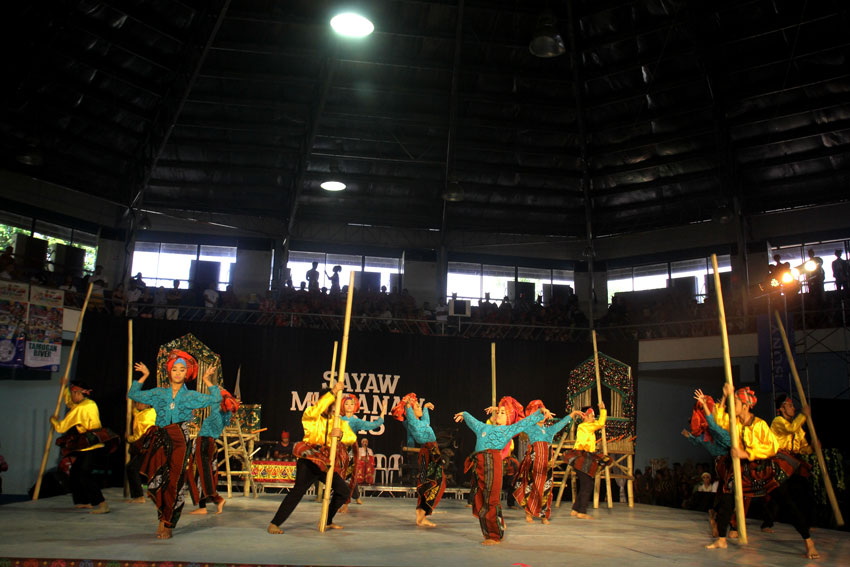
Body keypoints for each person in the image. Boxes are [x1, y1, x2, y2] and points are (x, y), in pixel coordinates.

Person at [707, 384, 818, 559]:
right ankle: (722, 538)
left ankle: (808, 542)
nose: (731, 405)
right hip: (742, 468)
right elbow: (718, 419)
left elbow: (771, 448)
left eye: (734, 402)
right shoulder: (734, 423)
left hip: (763, 468)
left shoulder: (760, 425)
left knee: (787, 502)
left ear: (745, 406)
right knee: (727, 498)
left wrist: (747, 453)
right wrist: (724, 395)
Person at [129, 351, 222, 539]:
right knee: (158, 482)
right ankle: (162, 518)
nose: (178, 373)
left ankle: (169, 523)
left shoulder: (190, 396)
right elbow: (133, 393)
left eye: (182, 369)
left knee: (175, 483)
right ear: (169, 372)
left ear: (186, 373)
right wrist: (144, 375)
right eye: (175, 369)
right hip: (161, 439)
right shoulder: (159, 393)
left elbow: (216, 399)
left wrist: (207, 380)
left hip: (180, 439)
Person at [267, 379, 354, 534]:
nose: (331, 407)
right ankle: (275, 523)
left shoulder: (337, 421)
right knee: (298, 491)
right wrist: (332, 392)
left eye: (333, 404)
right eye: (329, 403)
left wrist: (340, 435)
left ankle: (326, 520)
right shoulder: (311, 415)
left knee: (343, 491)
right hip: (310, 460)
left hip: (325, 463)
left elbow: (351, 437)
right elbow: (318, 408)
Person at [454, 404, 544, 545]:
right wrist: (464, 413)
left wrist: (540, 412)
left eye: (503, 412)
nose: (499, 414)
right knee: (480, 499)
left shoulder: (508, 429)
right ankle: (489, 532)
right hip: (479, 463)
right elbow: (472, 420)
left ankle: (494, 536)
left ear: (509, 417)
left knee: (491, 499)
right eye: (498, 412)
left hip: (492, 462)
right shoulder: (483, 427)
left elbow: (524, 422)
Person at [50, 379, 119, 514]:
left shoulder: (82, 408)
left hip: (91, 445)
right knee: (75, 473)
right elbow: (71, 403)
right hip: (87, 445)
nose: (71, 396)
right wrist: (64, 388)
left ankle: (102, 504)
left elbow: (61, 427)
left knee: (83, 474)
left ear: (77, 393)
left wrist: (53, 419)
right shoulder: (88, 403)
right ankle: (82, 501)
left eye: (72, 393)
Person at [513, 400, 579, 524]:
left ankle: (544, 515)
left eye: (543, 415)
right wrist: (541, 410)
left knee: (546, 489)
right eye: (539, 415)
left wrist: (573, 413)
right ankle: (529, 513)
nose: (542, 417)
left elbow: (562, 423)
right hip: (534, 462)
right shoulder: (530, 428)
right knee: (531, 487)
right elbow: (524, 420)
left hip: (546, 464)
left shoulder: (549, 430)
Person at [391, 393, 445, 527]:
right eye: (418, 406)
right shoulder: (412, 423)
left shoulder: (422, 422)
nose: (420, 408)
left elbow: (426, 417)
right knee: (433, 483)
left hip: (433, 452)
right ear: (411, 411)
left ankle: (421, 513)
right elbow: (408, 412)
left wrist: (425, 406)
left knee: (432, 482)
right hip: (428, 453)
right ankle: (423, 514)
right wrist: (408, 404)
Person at [189, 388, 239, 515]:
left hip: (204, 442)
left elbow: (216, 390)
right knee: (203, 474)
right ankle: (206, 504)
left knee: (200, 473)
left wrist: (206, 378)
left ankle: (215, 499)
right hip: (210, 443)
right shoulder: (226, 414)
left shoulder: (217, 410)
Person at [562, 402, 611, 520]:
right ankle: (581, 511)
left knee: (585, 484)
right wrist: (603, 410)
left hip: (583, 457)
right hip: (583, 457)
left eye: (594, 416)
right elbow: (601, 423)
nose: (594, 418)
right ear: (585, 417)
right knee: (588, 485)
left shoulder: (584, 427)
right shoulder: (586, 426)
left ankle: (575, 509)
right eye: (592, 416)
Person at [339, 393, 384, 513]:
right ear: (343, 406)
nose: (349, 406)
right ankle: (356, 496)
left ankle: (345, 503)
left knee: (348, 477)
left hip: (351, 451)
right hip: (339, 449)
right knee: (343, 476)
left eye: (351, 404)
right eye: (346, 404)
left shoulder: (356, 421)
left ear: (355, 407)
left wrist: (382, 413)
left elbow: (373, 425)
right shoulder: (338, 419)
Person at [126, 401, 156, 503]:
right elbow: (135, 412)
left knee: (132, 468)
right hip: (147, 447)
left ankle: (139, 496)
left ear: (147, 404)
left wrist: (129, 438)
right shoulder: (142, 412)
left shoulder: (147, 415)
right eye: (136, 402)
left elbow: (140, 435)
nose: (137, 405)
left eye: (140, 403)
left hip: (147, 447)